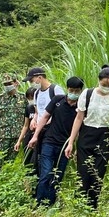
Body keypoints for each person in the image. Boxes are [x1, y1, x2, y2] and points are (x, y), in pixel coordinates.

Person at [65, 66, 109, 209]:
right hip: (86, 135)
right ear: (98, 81)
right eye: (104, 85)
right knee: (84, 172)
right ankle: (80, 206)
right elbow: (79, 118)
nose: (106, 88)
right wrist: (71, 142)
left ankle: (92, 207)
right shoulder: (87, 94)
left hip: (104, 136)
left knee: (98, 174)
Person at [29, 76, 84, 206]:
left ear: (81, 91)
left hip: (65, 146)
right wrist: (35, 136)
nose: (74, 93)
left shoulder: (82, 107)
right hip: (49, 141)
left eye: (77, 91)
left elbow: (81, 128)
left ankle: (50, 204)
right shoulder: (58, 100)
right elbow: (45, 117)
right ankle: (39, 202)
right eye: (71, 90)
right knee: (46, 173)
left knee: (58, 175)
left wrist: (74, 146)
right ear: (67, 89)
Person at [0, 75, 27, 177]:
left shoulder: (23, 98)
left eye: (9, 84)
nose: (7, 86)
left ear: (16, 83)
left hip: (16, 137)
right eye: (5, 85)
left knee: (10, 163)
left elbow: (27, 119)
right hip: (1, 136)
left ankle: (7, 183)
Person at [25, 67, 65, 174]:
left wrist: (48, 120)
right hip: (40, 128)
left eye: (31, 80)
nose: (31, 83)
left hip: (52, 129)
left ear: (39, 77)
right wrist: (34, 120)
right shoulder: (37, 93)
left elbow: (61, 110)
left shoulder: (55, 89)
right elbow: (38, 112)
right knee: (39, 156)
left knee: (50, 156)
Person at [15, 86, 38, 172]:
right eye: (29, 98)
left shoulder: (42, 108)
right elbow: (25, 125)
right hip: (28, 135)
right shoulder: (28, 108)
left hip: (38, 136)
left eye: (32, 98)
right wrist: (19, 141)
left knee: (35, 159)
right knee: (27, 158)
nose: (31, 100)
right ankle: (27, 178)